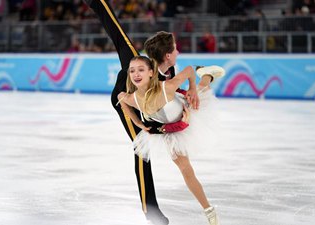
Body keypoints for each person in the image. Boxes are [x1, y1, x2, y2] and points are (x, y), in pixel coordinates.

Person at [82, 1, 192, 224]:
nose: (177, 52)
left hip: (145, 103)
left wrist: (189, 99)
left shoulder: (167, 73)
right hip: (124, 101)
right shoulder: (136, 63)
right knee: (142, 149)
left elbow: (172, 95)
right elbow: (116, 31)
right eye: (175, 49)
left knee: (149, 139)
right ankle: (150, 211)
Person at [117, 56, 224, 225]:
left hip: (188, 110)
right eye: (132, 70)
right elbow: (121, 99)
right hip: (171, 131)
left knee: (203, 92)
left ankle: (206, 75)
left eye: (141, 70)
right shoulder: (133, 98)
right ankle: (209, 210)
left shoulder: (166, 88)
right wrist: (138, 123)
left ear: (151, 72)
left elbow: (189, 70)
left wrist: (193, 89)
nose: (136, 74)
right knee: (185, 169)